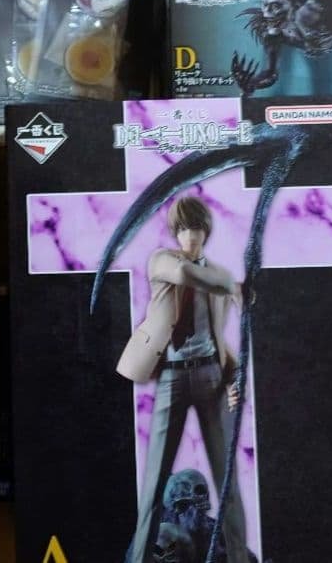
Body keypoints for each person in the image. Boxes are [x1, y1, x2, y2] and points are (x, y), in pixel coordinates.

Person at [116, 196, 249, 563]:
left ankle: (239, 558)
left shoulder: (215, 278)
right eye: (183, 229)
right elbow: (188, 275)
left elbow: (218, 340)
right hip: (172, 378)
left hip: (210, 376)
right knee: (154, 485)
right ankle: (139, 559)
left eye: (196, 228)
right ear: (175, 233)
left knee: (228, 483)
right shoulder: (163, 261)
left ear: (206, 231)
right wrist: (233, 284)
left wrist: (234, 376)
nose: (190, 236)